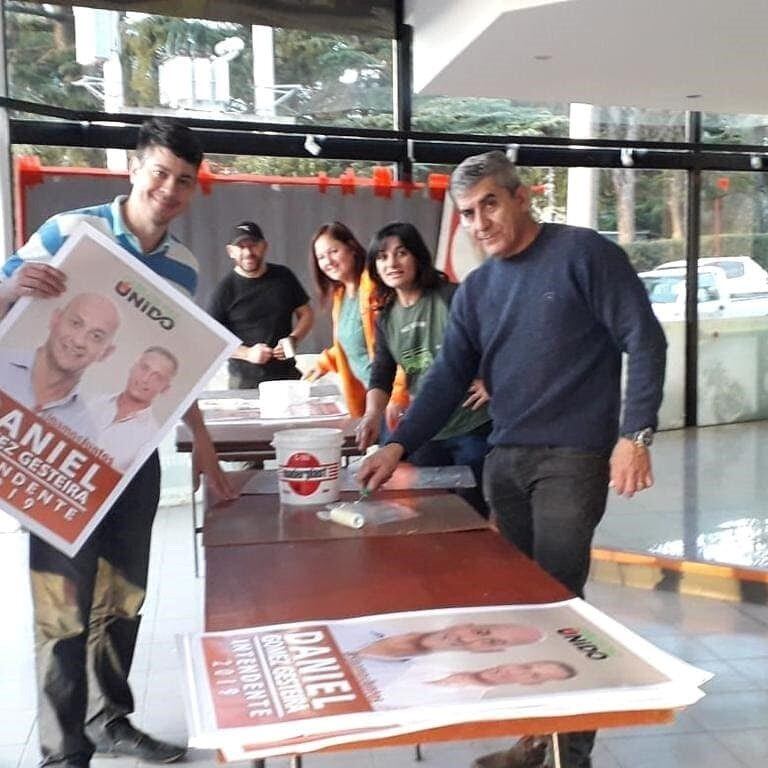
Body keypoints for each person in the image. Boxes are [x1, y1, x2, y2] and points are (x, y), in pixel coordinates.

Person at [357, 150, 667, 768]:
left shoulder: (584, 255)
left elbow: (645, 337)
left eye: (489, 205)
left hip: (572, 459)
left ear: (522, 197)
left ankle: (569, 752)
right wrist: (395, 445)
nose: (479, 223)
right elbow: (447, 378)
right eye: (467, 213)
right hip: (506, 459)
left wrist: (636, 435)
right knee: (519, 610)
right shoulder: (478, 290)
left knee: (557, 601)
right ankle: (535, 742)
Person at [0, 118, 237, 768]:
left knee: (123, 595)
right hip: (60, 452)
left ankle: (112, 720)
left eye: (184, 181)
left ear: (193, 190)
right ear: (134, 169)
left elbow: (178, 373)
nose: (169, 189)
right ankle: (62, 747)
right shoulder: (69, 232)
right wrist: (12, 287)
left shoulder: (185, 266)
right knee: (61, 602)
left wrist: (206, 448)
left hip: (133, 456)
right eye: (160, 173)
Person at [356, 221, 491, 516]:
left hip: (473, 426)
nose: (392, 262)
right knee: (431, 511)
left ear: (417, 256)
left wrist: (491, 381)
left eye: (401, 253)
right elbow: (382, 372)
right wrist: (371, 414)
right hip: (427, 429)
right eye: (382, 256)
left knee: (473, 514)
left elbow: (497, 338)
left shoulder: (451, 297)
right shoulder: (387, 317)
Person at [304, 221, 408, 419]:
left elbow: (400, 346)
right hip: (373, 401)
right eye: (321, 257)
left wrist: (398, 397)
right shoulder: (340, 295)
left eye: (333, 251)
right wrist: (325, 362)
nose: (328, 261)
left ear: (351, 248)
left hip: (394, 402)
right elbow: (353, 343)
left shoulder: (375, 288)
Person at [0, 292, 121, 440]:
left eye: (96, 336)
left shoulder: (85, 435)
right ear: (55, 319)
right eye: (75, 323)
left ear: (106, 353)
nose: (78, 341)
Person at [208, 221, 314, 389]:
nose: (248, 252)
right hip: (245, 384)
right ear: (230, 252)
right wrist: (247, 353)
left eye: (253, 245)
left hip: (287, 378)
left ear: (264, 246)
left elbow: (306, 314)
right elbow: (212, 339)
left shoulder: (283, 276)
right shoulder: (225, 290)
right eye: (241, 247)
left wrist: (294, 339)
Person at [92, 346, 178, 472]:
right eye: (144, 368)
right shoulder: (92, 403)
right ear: (132, 368)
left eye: (157, 377)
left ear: (165, 389)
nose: (145, 379)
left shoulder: (151, 438)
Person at [375, 660, 576, 710]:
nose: (512, 671)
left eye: (531, 675)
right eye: (526, 666)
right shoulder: (435, 663)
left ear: (530, 684)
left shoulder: (458, 703)